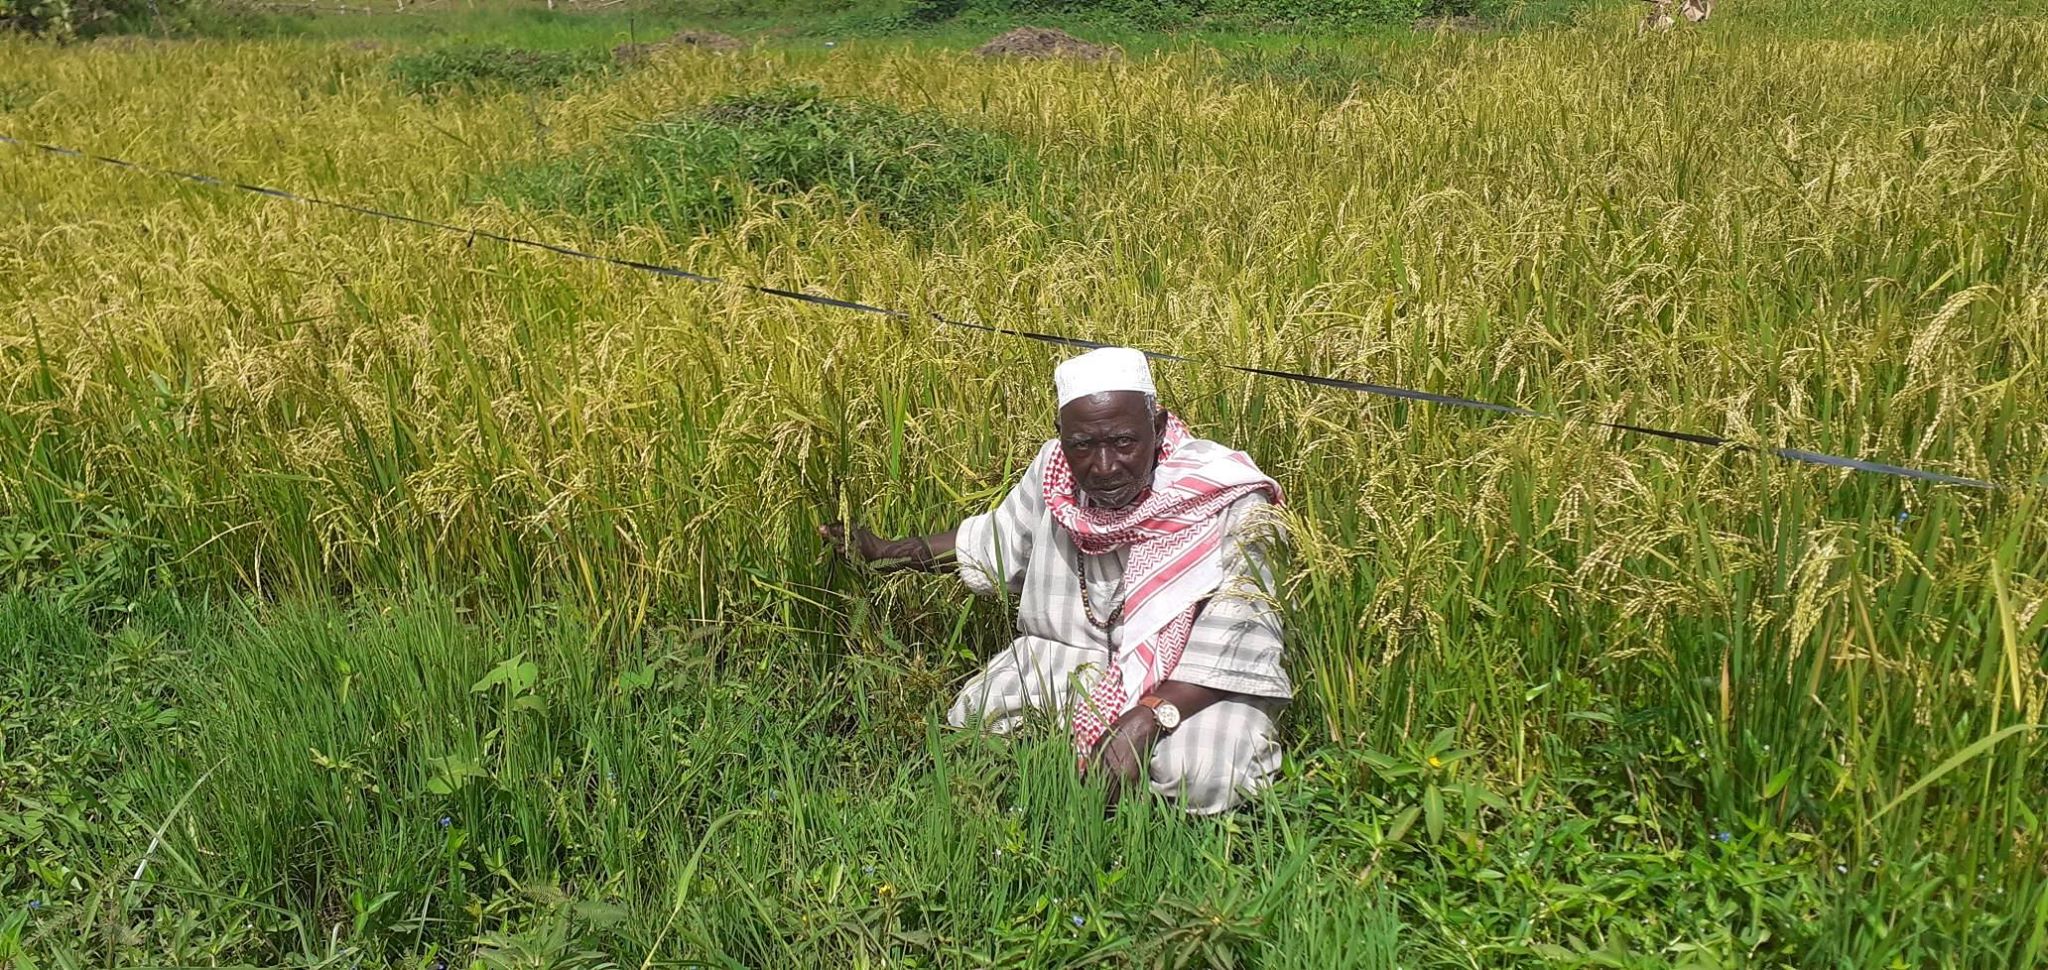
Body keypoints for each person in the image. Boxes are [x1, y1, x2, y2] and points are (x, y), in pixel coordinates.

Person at [821, 347, 1290, 814]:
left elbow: (1240, 635)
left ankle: (1174, 842)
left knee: (1204, 771)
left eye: (1124, 442)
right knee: (978, 719)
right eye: (1083, 445)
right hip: (1071, 659)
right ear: (1062, 438)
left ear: (1159, 427)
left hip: (1195, 680)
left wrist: (1149, 715)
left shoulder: (1226, 496)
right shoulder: (1055, 474)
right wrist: (884, 551)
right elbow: (993, 543)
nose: (1104, 466)